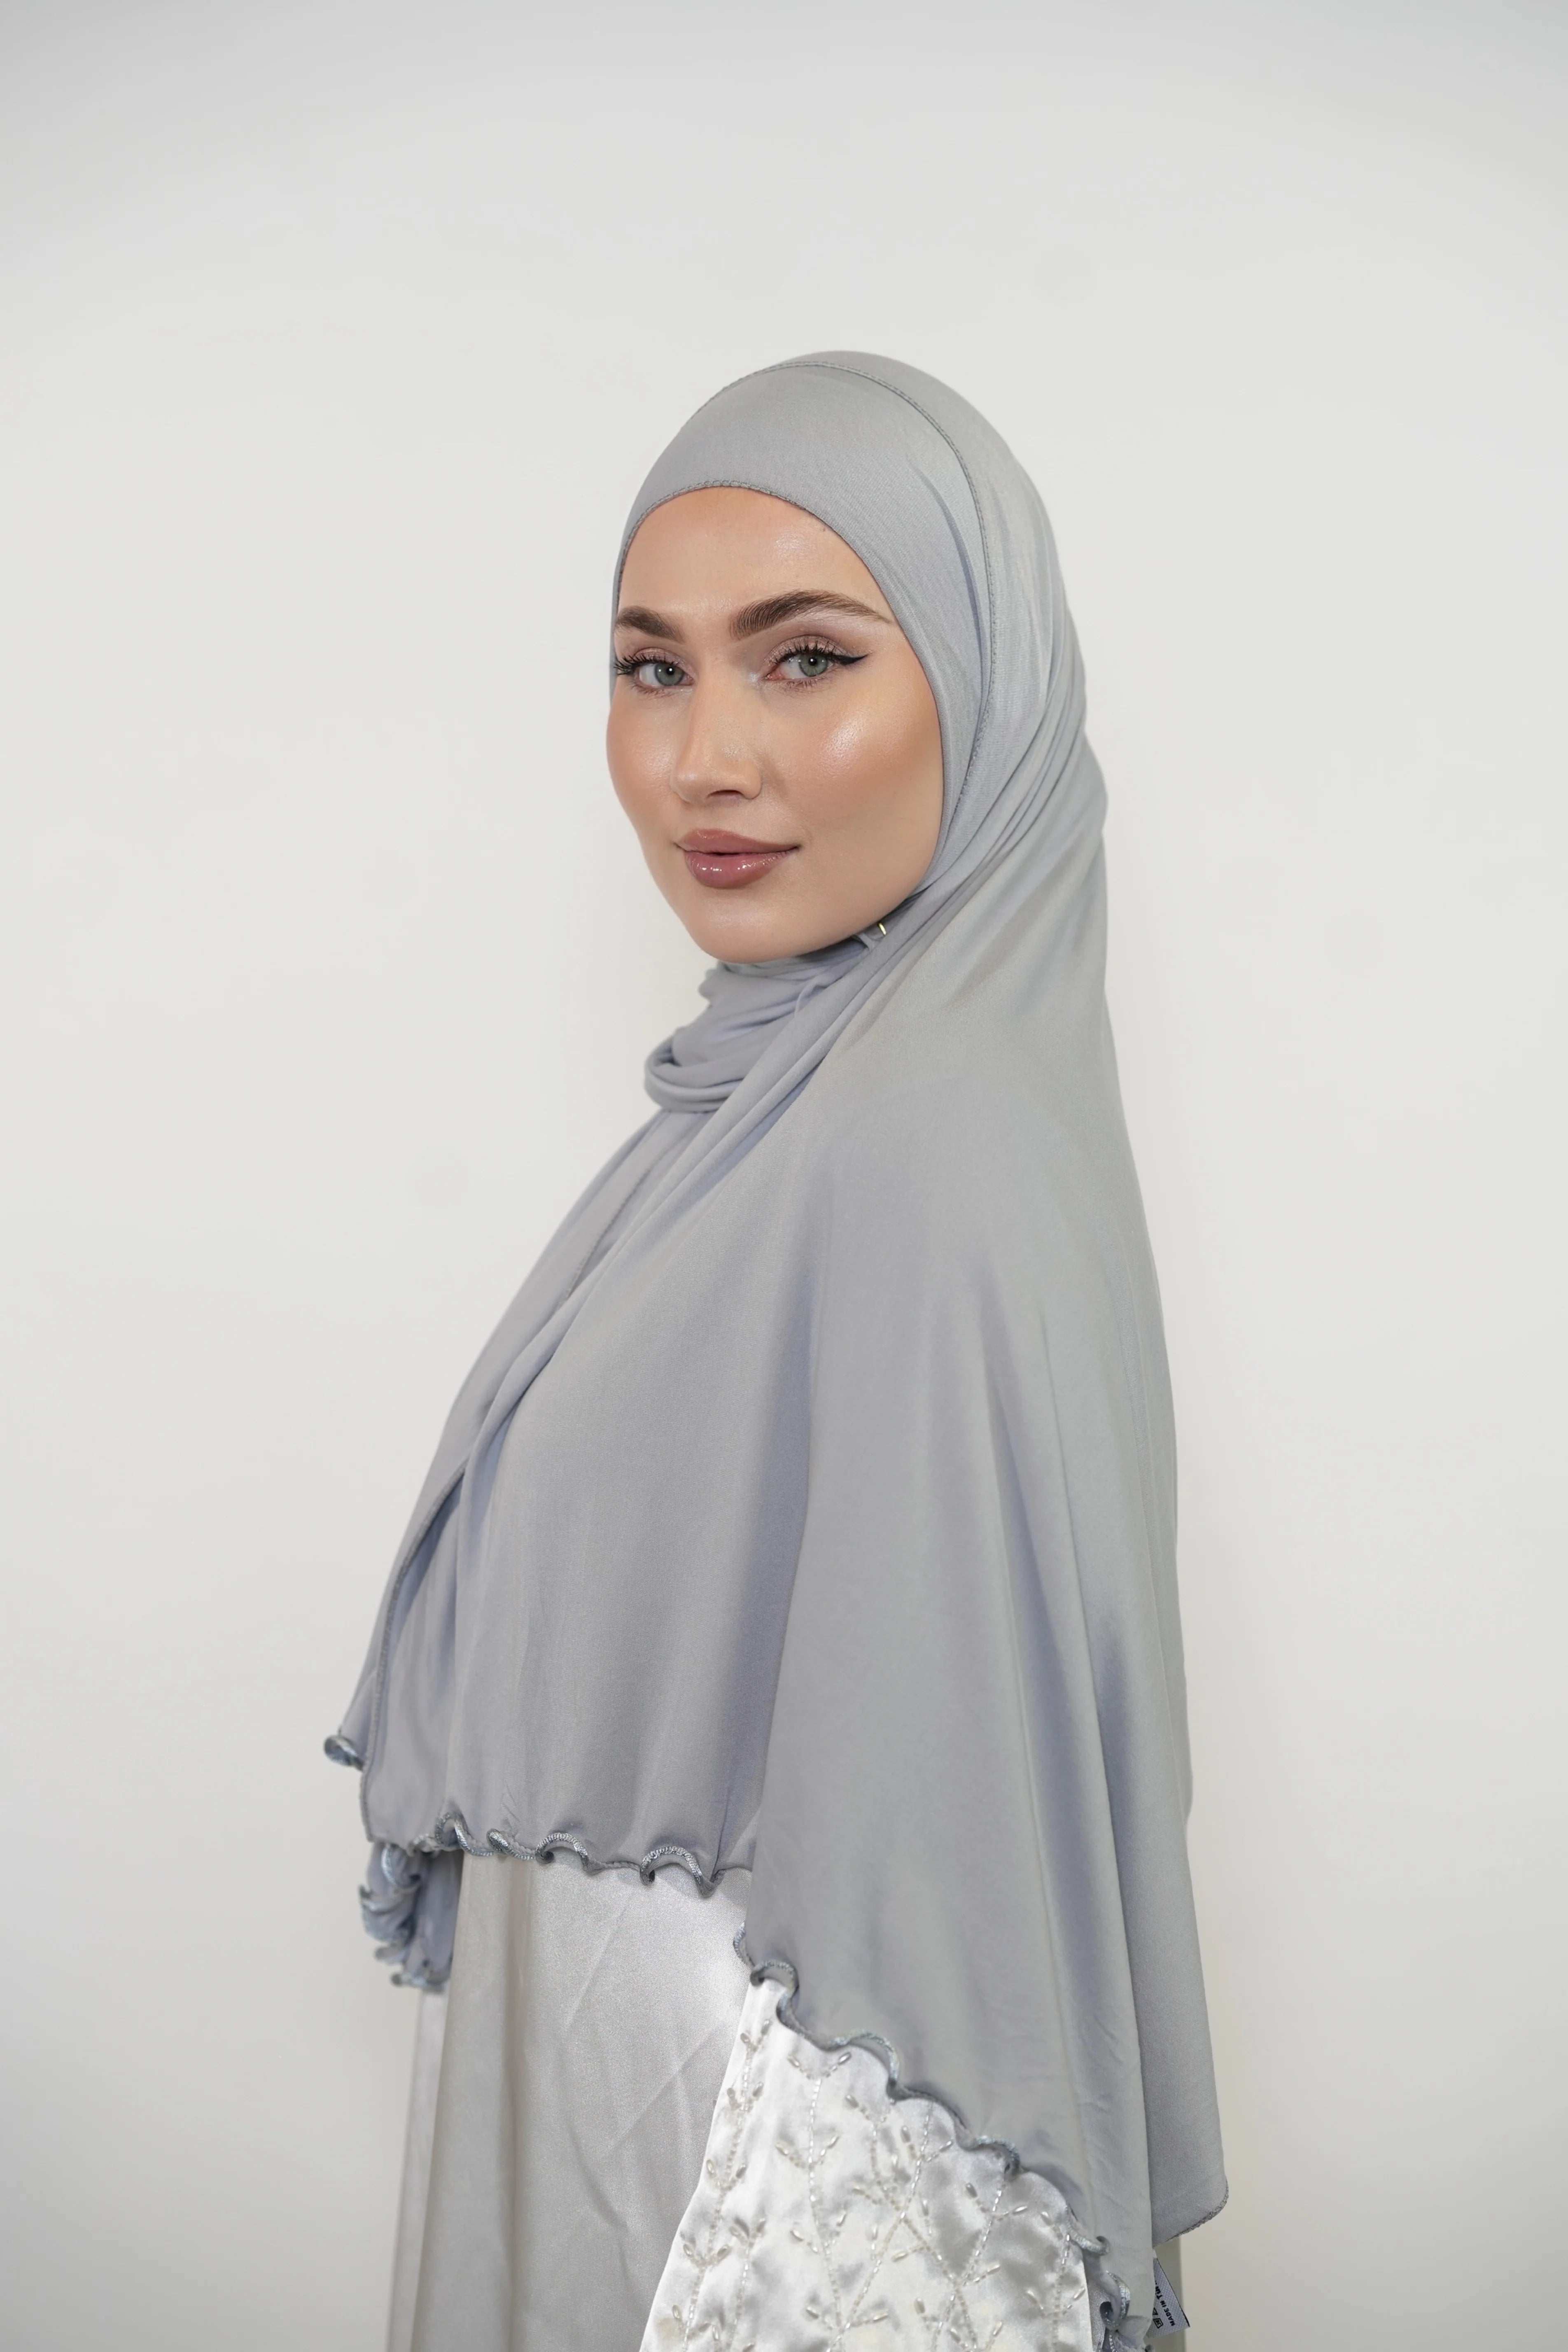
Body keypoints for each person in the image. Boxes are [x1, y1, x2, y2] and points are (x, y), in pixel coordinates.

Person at [328, 352, 1226, 2352]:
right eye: (651, 669)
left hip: (755, 2190)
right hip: (649, 2120)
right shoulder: (774, 1113)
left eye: (804, 660)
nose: (701, 758)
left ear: (982, 690)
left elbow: (934, 1876)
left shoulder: (920, 1138)